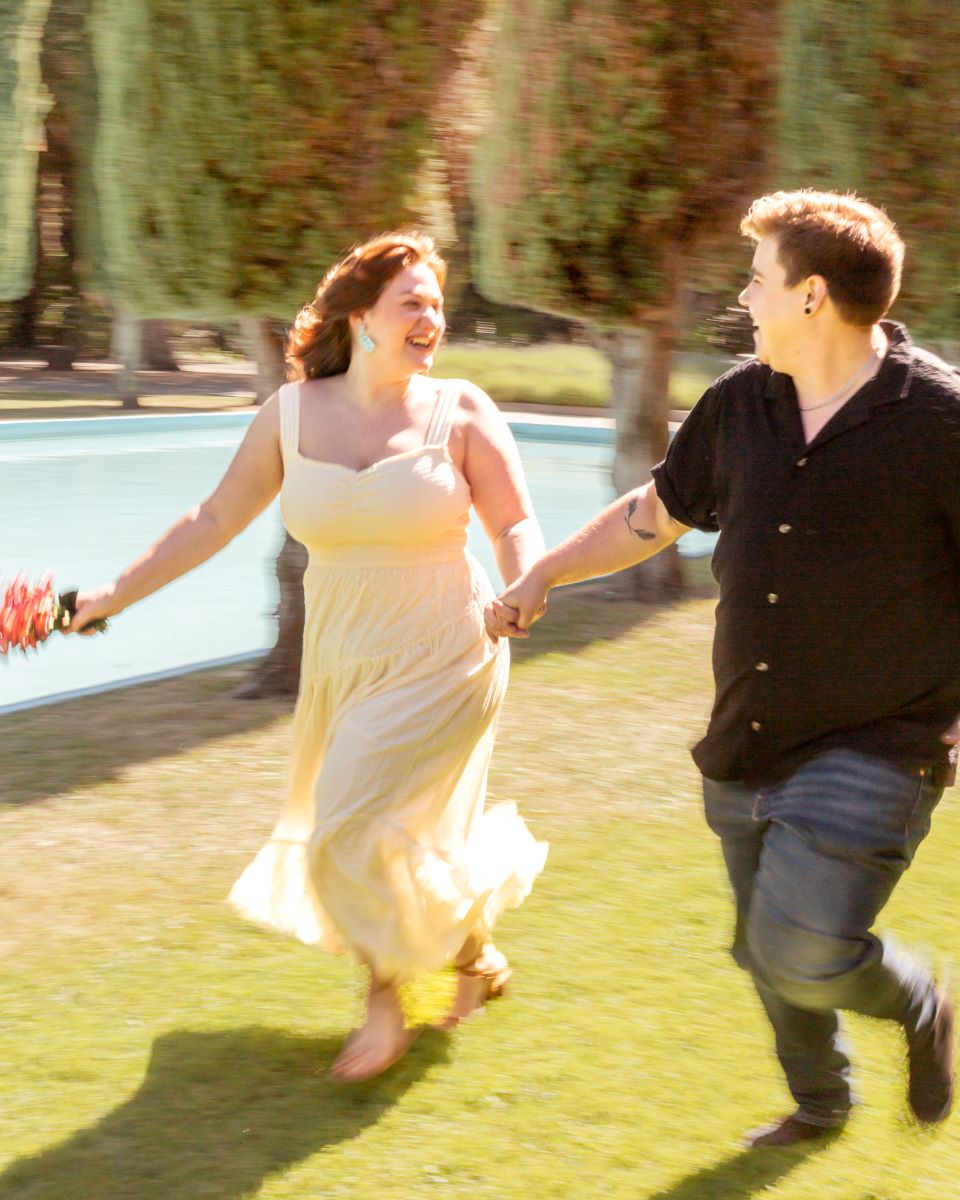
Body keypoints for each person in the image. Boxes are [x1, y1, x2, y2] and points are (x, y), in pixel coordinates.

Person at [487, 190, 957, 1146]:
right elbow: (654, 514)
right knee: (764, 948)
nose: (746, 298)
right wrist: (545, 572)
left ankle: (920, 1004)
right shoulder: (741, 401)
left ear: (812, 295)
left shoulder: (939, 420)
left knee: (799, 948)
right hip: (751, 730)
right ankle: (822, 1105)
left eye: (757, 278)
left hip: (883, 738)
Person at [70, 231, 547, 1083]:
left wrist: (526, 585)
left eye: (438, 304)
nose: (433, 318)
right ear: (362, 317)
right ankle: (473, 953)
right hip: (345, 652)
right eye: (414, 302)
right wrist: (111, 597)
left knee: (348, 821)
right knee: (392, 823)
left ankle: (382, 1003)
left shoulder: (462, 409)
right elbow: (212, 520)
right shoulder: (288, 415)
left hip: (448, 642)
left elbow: (512, 522)